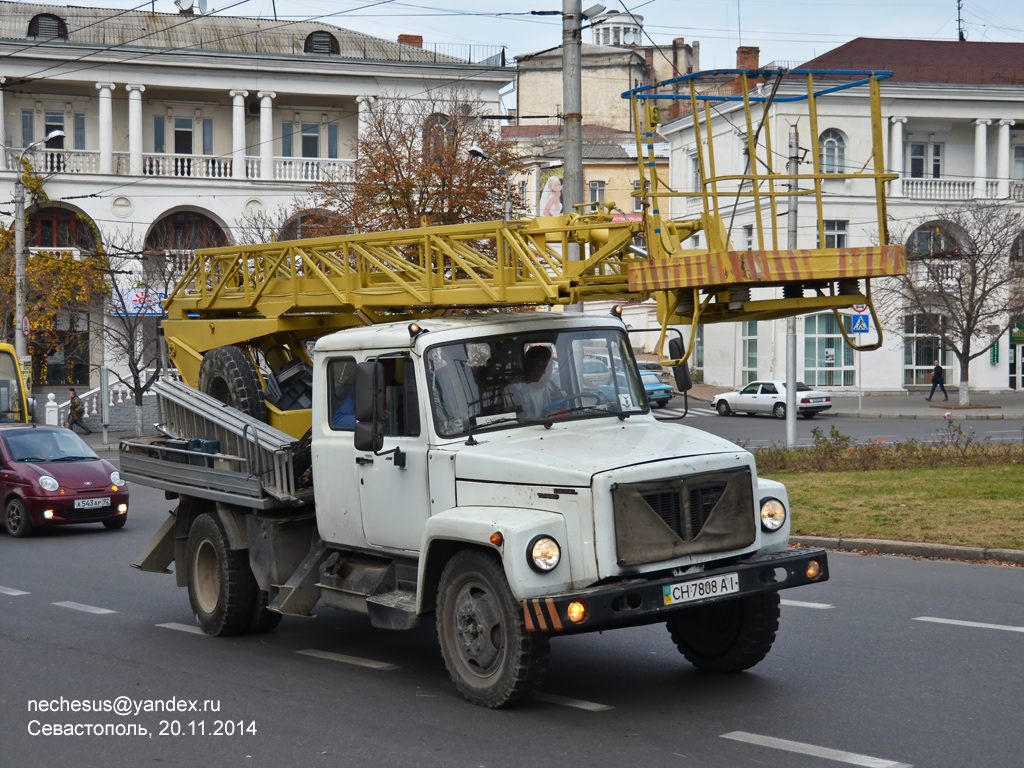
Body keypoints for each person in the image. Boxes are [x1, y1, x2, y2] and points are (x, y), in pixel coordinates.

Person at [514, 345, 562, 418]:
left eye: (551, 364)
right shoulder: (514, 392)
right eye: (542, 364)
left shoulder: (553, 389)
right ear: (528, 366)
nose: (548, 369)